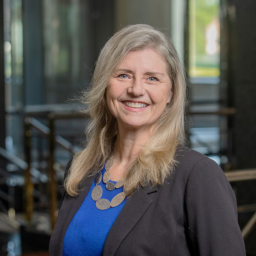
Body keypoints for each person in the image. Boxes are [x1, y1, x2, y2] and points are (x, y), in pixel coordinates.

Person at [49, 24, 246, 256]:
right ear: (104, 85)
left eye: (152, 78)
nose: (136, 89)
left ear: (171, 93)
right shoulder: (81, 168)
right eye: (123, 75)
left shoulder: (198, 176)